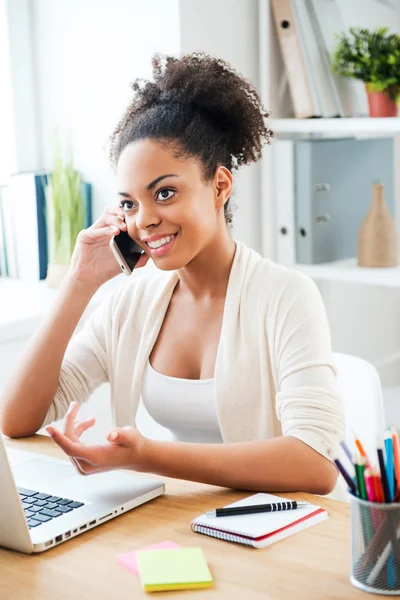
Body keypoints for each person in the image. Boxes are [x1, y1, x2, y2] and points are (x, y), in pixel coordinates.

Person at [0, 53, 344, 495]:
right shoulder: (131, 303)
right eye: (129, 203)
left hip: (269, 531)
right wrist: (79, 282)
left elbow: (315, 463)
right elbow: (18, 418)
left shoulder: (286, 296)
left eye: (164, 192)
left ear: (219, 186)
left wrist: (147, 456)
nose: (144, 221)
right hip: (180, 521)